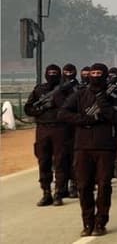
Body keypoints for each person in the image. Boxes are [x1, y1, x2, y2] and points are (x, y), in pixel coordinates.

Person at [59, 63, 117, 237]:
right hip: (82, 146)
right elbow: (62, 113)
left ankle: (101, 222)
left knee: (104, 185)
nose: (96, 76)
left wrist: (103, 110)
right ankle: (87, 222)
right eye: (93, 73)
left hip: (105, 146)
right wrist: (84, 119)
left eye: (99, 73)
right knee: (84, 186)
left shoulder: (113, 94)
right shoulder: (80, 94)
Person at [24, 64, 75, 207]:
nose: (52, 75)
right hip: (43, 128)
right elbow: (28, 109)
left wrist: (58, 102)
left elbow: (73, 107)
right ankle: (46, 192)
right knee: (43, 161)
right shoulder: (39, 90)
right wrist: (42, 107)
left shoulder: (67, 90)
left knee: (61, 161)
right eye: (50, 72)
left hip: (61, 129)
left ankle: (59, 192)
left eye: (55, 72)